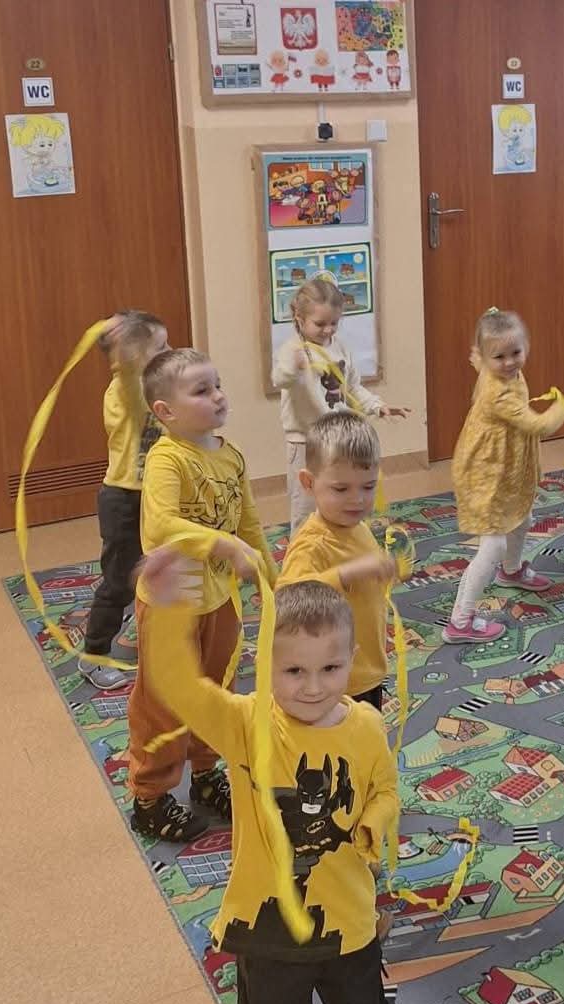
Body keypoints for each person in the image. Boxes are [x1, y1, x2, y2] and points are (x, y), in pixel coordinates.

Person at [138, 551, 430, 1004]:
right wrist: (165, 611)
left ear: (352, 660)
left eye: (330, 667)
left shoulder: (365, 725)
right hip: (270, 933)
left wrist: (373, 822)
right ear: (265, 665)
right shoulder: (248, 724)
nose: (313, 686)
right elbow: (179, 683)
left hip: (349, 921)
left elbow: (386, 788)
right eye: (293, 670)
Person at [126, 348, 277, 842]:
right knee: (163, 702)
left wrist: (272, 578)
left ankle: (207, 774)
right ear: (165, 411)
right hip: (171, 606)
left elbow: (248, 523)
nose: (218, 396)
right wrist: (222, 545)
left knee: (217, 690)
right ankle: (150, 798)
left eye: (218, 385)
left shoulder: (230, 455)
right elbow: (161, 526)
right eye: (201, 390)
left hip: (219, 600)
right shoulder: (167, 459)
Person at [446, 307, 564, 644]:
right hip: (484, 473)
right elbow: (537, 425)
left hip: (505, 467)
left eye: (515, 353)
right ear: (487, 356)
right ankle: (460, 620)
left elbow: (479, 358)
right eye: (499, 357)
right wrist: (563, 408)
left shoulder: (494, 368)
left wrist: (482, 357)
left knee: (521, 515)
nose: (509, 363)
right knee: (493, 544)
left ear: (525, 347)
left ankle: (512, 570)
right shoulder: (498, 392)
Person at [273, 273, 408, 533]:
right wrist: (294, 367)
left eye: (334, 323)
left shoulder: (339, 347)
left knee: (339, 502)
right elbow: (281, 379)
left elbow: (353, 387)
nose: (328, 330)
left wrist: (377, 406)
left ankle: (338, 549)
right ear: (299, 319)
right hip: (306, 443)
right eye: (320, 324)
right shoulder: (293, 350)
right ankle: (302, 554)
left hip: (337, 440)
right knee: (306, 508)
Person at [278, 411, 395, 712]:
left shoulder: (358, 527)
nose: (357, 499)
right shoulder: (312, 544)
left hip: (365, 667)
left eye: (368, 486)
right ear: (308, 482)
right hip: (333, 684)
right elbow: (288, 598)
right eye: (341, 489)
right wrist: (346, 574)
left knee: (368, 736)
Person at [80, 310, 169, 690]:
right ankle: (93, 655)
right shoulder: (123, 392)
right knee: (117, 582)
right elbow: (131, 383)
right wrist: (121, 348)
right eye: (160, 347)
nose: (169, 352)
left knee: (161, 567)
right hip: (123, 501)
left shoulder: (159, 390)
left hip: (156, 495)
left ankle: (151, 630)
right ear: (132, 358)